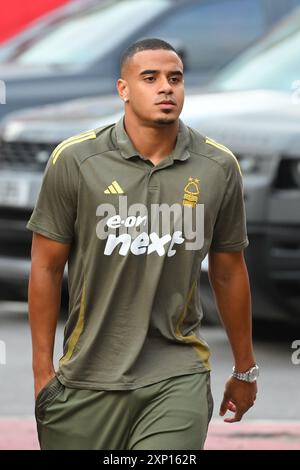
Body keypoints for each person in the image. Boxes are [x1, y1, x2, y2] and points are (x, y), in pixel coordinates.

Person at [27, 38, 258, 450]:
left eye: (175, 78)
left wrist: (245, 369)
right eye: (150, 78)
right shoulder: (76, 161)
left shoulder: (218, 166)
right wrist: (42, 375)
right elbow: (45, 267)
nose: (166, 88)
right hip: (84, 380)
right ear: (124, 89)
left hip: (178, 372)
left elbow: (228, 271)